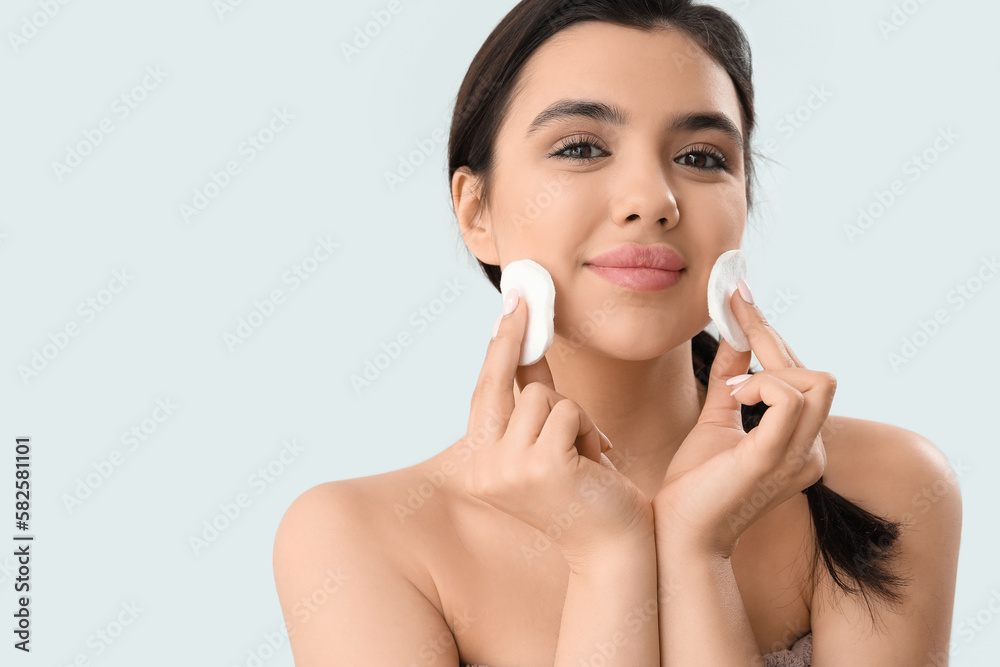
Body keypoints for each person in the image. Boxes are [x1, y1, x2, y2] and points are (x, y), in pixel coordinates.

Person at [272, 1, 962, 664]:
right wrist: (609, 557)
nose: (651, 201)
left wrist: (697, 550)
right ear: (476, 210)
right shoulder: (357, 538)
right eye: (580, 147)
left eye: (701, 157)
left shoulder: (885, 485)